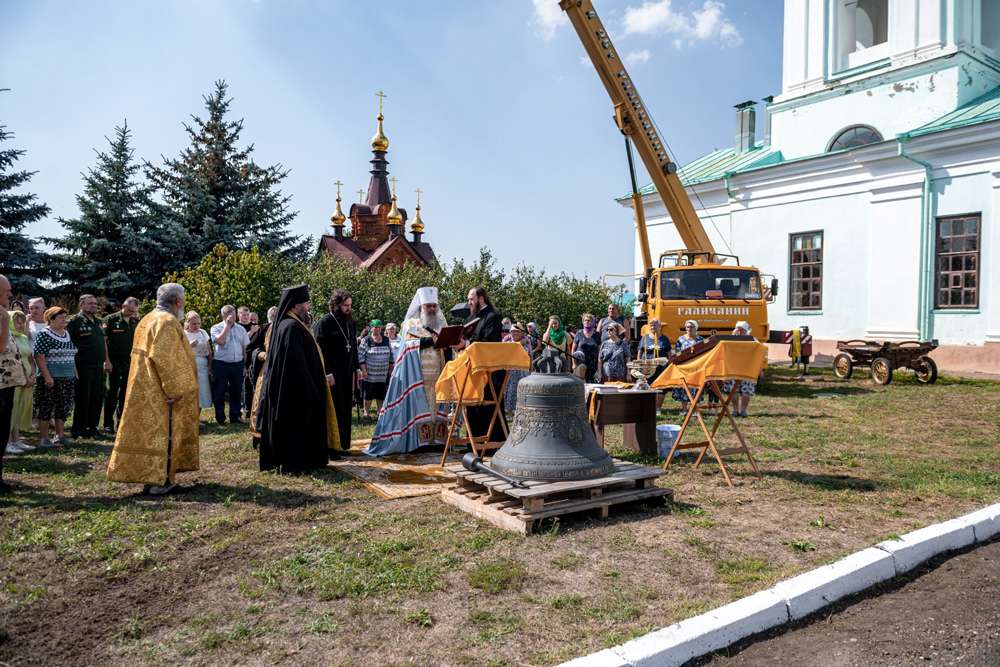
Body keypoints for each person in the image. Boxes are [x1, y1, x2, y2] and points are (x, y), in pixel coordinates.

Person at [107, 283, 199, 495]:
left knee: (151, 435)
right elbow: (165, 360)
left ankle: (153, 479)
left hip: (144, 386)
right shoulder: (167, 321)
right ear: (177, 302)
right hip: (160, 390)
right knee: (163, 434)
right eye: (182, 300)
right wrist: (175, 390)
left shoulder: (147, 319)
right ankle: (162, 482)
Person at [256, 284, 341, 471]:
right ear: (296, 305)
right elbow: (295, 364)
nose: (308, 307)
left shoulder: (291, 324)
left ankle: (301, 460)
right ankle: (297, 462)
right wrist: (311, 387)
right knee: (297, 426)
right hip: (297, 390)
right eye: (306, 303)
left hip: (298, 387)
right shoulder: (291, 327)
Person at [457, 286, 507, 443]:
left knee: (489, 407)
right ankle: (474, 442)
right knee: (473, 406)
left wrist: (465, 343)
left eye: (471, 299)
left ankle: (493, 443)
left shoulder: (493, 316)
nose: (469, 302)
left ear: (480, 298)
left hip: (489, 370)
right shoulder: (471, 318)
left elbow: (489, 342)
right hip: (472, 369)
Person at [315, 289, 360, 452]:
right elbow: (321, 350)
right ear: (336, 305)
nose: (348, 308)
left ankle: (344, 444)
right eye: (345, 305)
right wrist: (327, 372)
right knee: (334, 409)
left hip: (347, 373)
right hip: (332, 374)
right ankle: (332, 446)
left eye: (350, 305)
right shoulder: (325, 323)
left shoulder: (350, 322)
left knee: (346, 408)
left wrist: (357, 367)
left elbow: (353, 346)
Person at [0, 277, 31, 489]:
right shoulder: (2, 316)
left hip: (7, 383)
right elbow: (1, 347)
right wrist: (3, 321)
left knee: (3, 429)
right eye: (6, 291)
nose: (10, 295)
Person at [32, 306, 78, 448]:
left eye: (65, 317)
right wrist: (47, 377)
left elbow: (71, 355)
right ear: (51, 319)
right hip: (51, 378)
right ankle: (44, 438)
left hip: (67, 377)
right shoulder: (44, 334)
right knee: (46, 407)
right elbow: (39, 356)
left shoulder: (66, 333)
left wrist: (75, 372)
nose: (65, 320)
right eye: (61, 317)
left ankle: (60, 435)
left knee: (63, 407)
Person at [67, 294, 111, 439]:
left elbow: (103, 343)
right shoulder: (74, 321)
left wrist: (107, 360)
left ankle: (93, 428)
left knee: (97, 397)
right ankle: (78, 429)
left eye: (95, 303)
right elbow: (68, 344)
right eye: (90, 303)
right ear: (81, 305)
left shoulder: (98, 322)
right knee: (83, 398)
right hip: (82, 366)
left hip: (98, 366)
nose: (93, 305)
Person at [102, 296, 139, 433]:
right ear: (124, 306)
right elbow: (104, 342)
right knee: (112, 393)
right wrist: (106, 360)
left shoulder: (136, 321)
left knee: (125, 393)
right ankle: (107, 424)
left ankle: (122, 423)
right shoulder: (110, 319)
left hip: (130, 362)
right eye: (130, 310)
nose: (132, 313)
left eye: (134, 310)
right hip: (114, 361)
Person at [210, 304, 250, 425]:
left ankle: (235, 416)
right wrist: (227, 326)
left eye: (233, 313)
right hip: (221, 364)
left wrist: (244, 365)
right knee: (220, 392)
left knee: (236, 391)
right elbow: (220, 341)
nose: (233, 316)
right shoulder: (215, 328)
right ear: (224, 315)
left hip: (237, 363)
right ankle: (220, 418)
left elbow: (244, 348)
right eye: (229, 314)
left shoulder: (241, 329)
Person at [7, 311, 36, 454]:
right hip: (15, 379)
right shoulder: (7, 337)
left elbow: (30, 357)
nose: (20, 325)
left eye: (22, 322)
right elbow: (15, 359)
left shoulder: (24, 337)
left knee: (19, 410)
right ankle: (7, 442)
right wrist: (24, 377)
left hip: (28, 378)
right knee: (11, 410)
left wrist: (33, 374)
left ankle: (16, 440)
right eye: (17, 322)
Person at [721, 321, 757, 417]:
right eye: (738, 329)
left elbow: (759, 353)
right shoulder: (730, 339)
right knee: (733, 390)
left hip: (748, 369)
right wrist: (732, 336)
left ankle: (743, 410)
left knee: (746, 390)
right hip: (733, 368)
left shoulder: (753, 340)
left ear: (746, 331)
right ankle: (735, 410)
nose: (740, 332)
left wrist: (759, 369)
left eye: (742, 330)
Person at [358, 319, 393, 419]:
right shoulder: (366, 340)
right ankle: (366, 412)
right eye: (375, 327)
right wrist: (364, 370)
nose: (377, 329)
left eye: (379, 327)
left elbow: (391, 356)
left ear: (381, 328)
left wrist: (390, 370)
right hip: (370, 374)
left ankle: (380, 412)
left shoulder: (386, 340)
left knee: (381, 394)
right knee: (368, 394)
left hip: (383, 374)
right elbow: (360, 356)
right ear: (371, 328)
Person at [672, 320, 705, 415]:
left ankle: (694, 410)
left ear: (696, 328)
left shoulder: (700, 340)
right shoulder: (681, 339)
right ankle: (684, 409)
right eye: (687, 327)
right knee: (684, 388)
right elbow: (677, 352)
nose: (689, 329)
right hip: (684, 367)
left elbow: (703, 353)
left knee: (695, 388)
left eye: (691, 327)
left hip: (696, 368)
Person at [184, 311, 213, 411]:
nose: (196, 326)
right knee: (190, 390)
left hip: (202, 365)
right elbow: (179, 352)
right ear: (188, 323)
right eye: (193, 323)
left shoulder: (203, 332)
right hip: (188, 364)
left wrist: (209, 366)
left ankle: (197, 417)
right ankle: (189, 415)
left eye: (198, 323)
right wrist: (190, 346)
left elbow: (209, 351)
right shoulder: (183, 334)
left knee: (201, 390)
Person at [504, 324, 532, 413]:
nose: (515, 333)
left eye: (517, 331)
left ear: (521, 332)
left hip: (523, 370)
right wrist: (520, 343)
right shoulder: (507, 341)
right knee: (510, 389)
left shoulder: (527, 342)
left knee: (523, 388)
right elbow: (509, 349)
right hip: (511, 371)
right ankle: (509, 409)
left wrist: (530, 369)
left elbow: (530, 356)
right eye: (513, 331)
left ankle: (523, 408)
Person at [572, 313, 600, 383]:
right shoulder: (579, 333)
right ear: (583, 322)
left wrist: (599, 367)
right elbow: (573, 349)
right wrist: (574, 363)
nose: (587, 322)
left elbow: (600, 351)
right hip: (580, 363)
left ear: (593, 322)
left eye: (589, 320)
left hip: (593, 364)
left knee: (592, 385)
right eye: (585, 320)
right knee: (579, 384)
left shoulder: (597, 334)